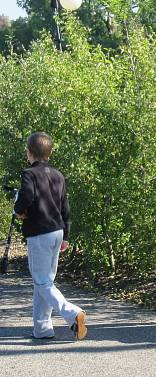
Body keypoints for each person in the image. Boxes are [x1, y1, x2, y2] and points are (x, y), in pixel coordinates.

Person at [13, 132, 87, 341]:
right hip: (57, 231)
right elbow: (65, 206)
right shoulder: (58, 175)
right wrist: (67, 235)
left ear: (29, 152)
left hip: (39, 232)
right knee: (45, 281)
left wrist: (18, 210)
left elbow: (26, 196)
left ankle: (73, 313)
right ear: (50, 152)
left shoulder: (29, 174)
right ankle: (42, 328)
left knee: (42, 281)